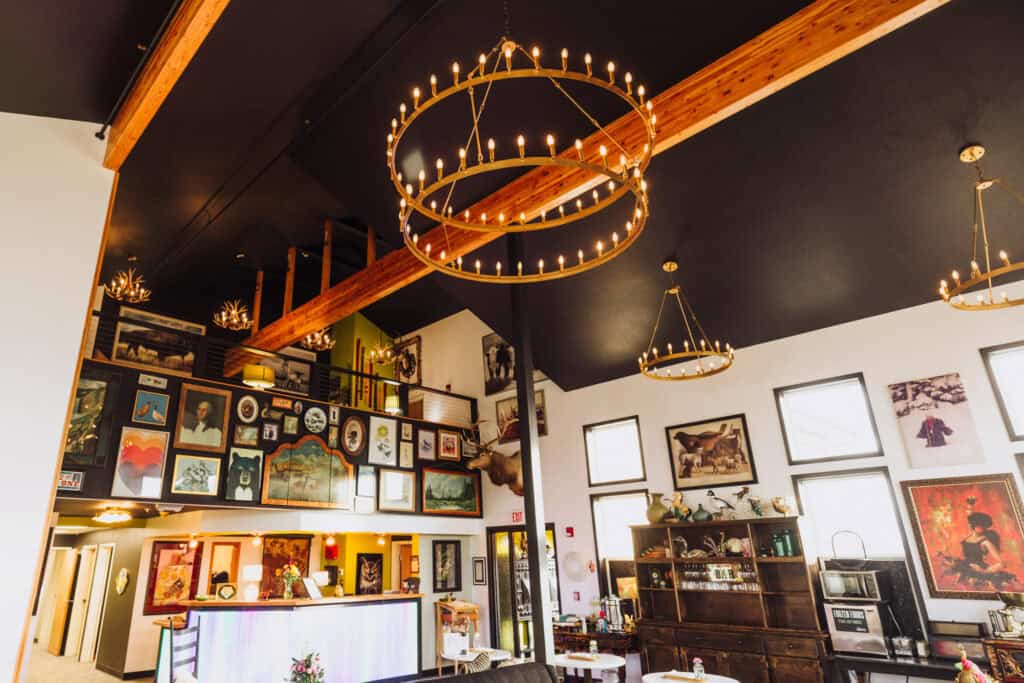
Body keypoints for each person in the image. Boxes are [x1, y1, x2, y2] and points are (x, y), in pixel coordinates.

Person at [945, 496, 1016, 589]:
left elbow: (1002, 563)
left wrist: (984, 571)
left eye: (984, 526)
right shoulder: (969, 535)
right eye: (980, 525)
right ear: (974, 525)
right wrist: (970, 505)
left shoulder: (985, 542)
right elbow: (969, 517)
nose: (983, 528)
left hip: (977, 571)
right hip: (964, 566)